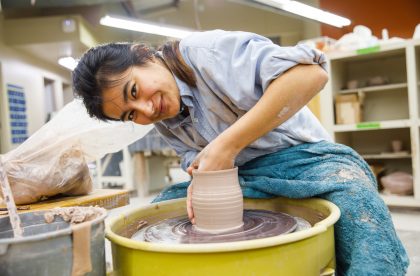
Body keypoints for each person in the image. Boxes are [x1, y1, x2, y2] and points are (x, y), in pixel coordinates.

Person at [73, 29, 408, 275]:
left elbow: (311, 74)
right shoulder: (160, 115)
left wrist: (227, 144)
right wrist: (197, 180)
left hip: (305, 159)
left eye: (135, 90)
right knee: (163, 206)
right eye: (131, 114)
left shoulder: (209, 53)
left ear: (144, 54)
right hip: (242, 175)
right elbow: (197, 160)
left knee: (356, 199)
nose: (146, 109)